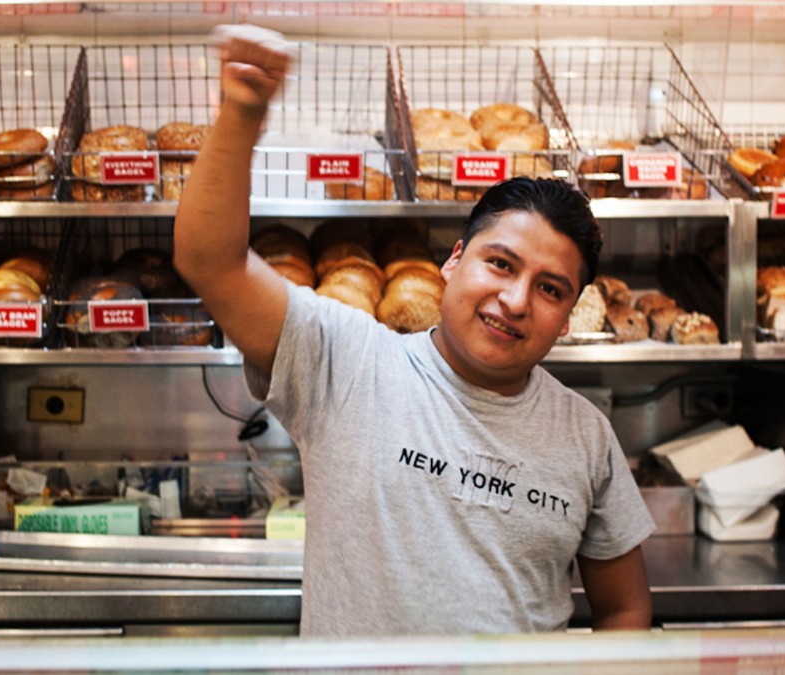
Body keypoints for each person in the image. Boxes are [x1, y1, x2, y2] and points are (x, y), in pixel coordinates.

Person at [174, 25, 655, 638]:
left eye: (549, 288)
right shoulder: (343, 360)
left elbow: (623, 609)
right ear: (454, 261)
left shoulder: (585, 435)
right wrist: (242, 113)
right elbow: (210, 261)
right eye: (500, 264)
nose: (514, 300)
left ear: (567, 316)